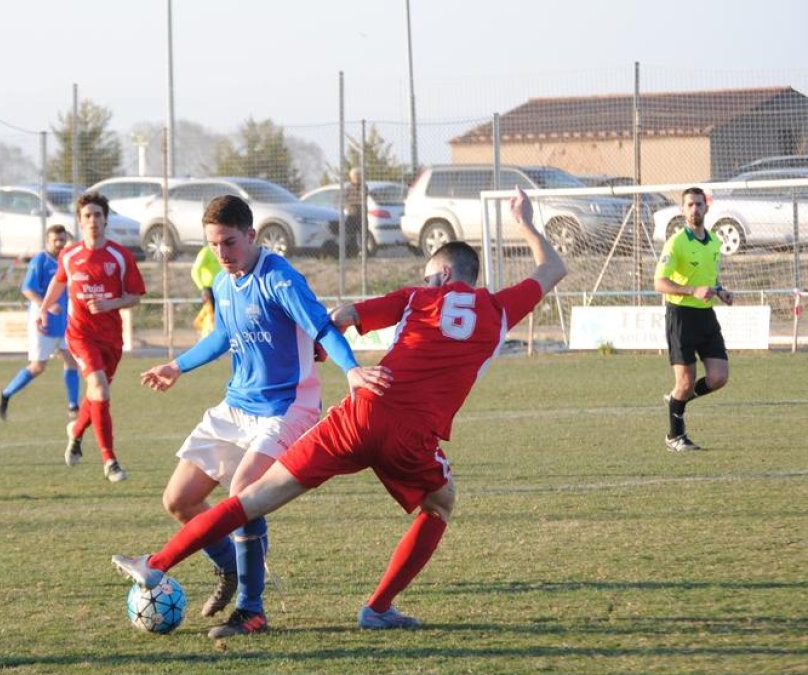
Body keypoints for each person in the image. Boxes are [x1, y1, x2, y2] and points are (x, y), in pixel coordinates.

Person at [112, 186, 567, 632]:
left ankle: (158, 562)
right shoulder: (500, 308)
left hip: (358, 412)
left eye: (430, 276)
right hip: (410, 436)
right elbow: (553, 268)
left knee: (249, 498)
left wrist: (332, 353)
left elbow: (341, 316)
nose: (427, 282)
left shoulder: (413, 297)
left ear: (444, 275)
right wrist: (525, 223)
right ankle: (378, 607)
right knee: (440, 505)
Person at [139, 194, 383, 638]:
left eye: (229, 243)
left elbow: (322, 328)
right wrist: (177, 366)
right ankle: (232, 570)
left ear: (251, 235)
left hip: (287, 406)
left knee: (244, 491)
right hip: (237, 405)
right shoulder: (224, 280)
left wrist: (351, 370)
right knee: (179, 501)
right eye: (213, 245)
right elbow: (222, 336)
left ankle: (252, 609)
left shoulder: (280, 278)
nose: (221, 254)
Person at [37, 191, 146, 483]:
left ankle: (76, 432)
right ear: (79, 220)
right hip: (80, 335)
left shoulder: (120, 256)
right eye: (87, 215)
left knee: (96, 394)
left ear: (106, 220)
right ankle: (109, 460)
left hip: (111, 339)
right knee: (99, 388)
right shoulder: (69, 255)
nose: (93, 220)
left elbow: (134, 296)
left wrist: (111, 304)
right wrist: (44, 309)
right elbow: (59, 282)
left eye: (98, 215)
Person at [654, 187, 734, 452]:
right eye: (690, 205)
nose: (695, 209)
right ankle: (675, 436)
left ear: (706, 208)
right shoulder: (676, 242)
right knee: (685, 383)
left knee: (719, 377)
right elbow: (659, 282)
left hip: (705, 315)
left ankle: (677, 401)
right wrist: (691, 291)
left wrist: (721, 291)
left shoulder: (713, 242)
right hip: (681, 316)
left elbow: (709, 279)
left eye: (699, 205)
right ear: (683, 210)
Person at [0, 225, 81, 422]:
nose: (59, 243)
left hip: (65, 322)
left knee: (71, 361)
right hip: (43, 322)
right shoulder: (40, 261)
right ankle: (5, 395)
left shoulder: (67, 260)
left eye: (62, 240)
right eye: (55, 240)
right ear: (47, 242)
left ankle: (73, 406)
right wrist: (47, 306)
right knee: (38, 366)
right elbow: (28, 289)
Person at [190, 244, 221, 338]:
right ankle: (206, 337)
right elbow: (195, 271)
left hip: (221, 288)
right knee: (210, 315)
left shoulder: (223, 250)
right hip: (209, 289)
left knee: (220, 316)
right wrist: (202, 288)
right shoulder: (206, 251)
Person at [341, 167, 365, 257]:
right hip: (351, 214)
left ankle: (362, 252)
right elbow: (345, 199)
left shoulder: (363, 187)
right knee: (350, 234)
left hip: (361, 214)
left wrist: (354, 201)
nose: (357, 178)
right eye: (355, 176)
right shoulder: (348, 188)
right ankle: (351, 252)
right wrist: (348, 205)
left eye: (358, 176)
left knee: (362, 234)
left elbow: (361, 198)